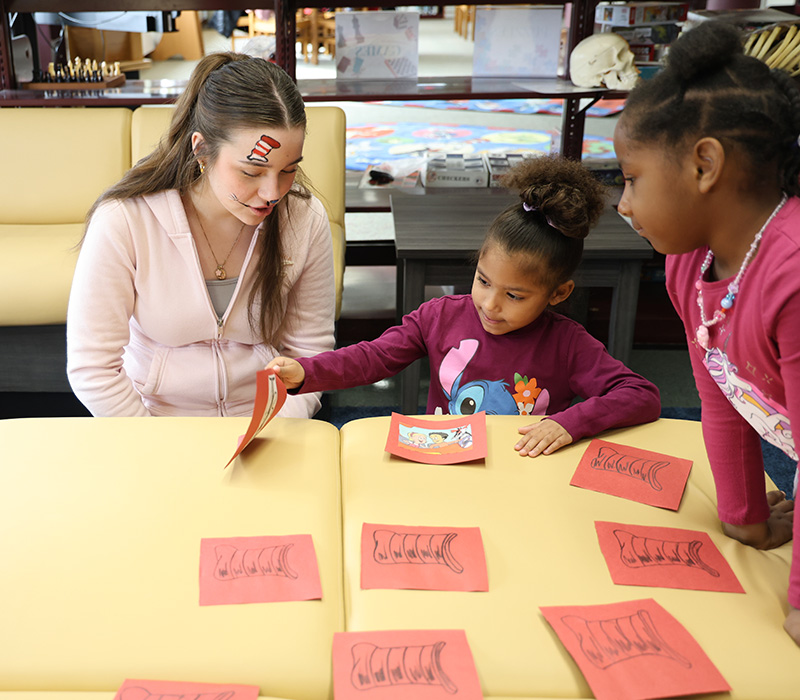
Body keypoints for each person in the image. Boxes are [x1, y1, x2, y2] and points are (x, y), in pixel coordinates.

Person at [269, 155, 661, 456]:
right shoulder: (440, 316)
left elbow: (641, 395)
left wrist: (569, 424)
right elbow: (373, 358)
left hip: (522, 471)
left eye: (514, 296)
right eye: (483, 281)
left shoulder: (569, 344)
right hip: (447, 464)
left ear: (558, 294)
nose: (490, 305)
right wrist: (304, 372)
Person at [612, 20, 800, 644]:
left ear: (704, 165)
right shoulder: (689, 264)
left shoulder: (793, 276)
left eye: (632, 177)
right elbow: (720, 390)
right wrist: (743, 517)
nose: (623, 203)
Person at [67, 52, 335, 418]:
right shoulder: (125, 221)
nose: (273, 192)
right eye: (252, 172)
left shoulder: (303, 219)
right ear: (202, 149)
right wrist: (154, 445)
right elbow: (93, 368)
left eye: (288, 170)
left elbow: (311, 352)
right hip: (153, 423)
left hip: (266, 423)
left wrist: (277, 432)